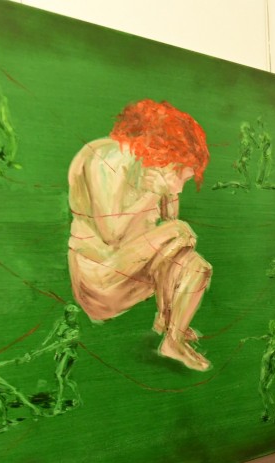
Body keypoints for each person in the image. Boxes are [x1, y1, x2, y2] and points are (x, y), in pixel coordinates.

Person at [67, 99, 212, 371]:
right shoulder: (104, 160)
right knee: (179, 232)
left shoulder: (154, 170)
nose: (179, 188)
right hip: (100, 278)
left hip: (137, 271)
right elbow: (111, 234)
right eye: (180, 176)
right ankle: (167, 322)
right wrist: (152, 195)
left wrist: (167, 197)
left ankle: (172, 338)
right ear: (163, 153)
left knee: (198, 268)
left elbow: (170, 223)